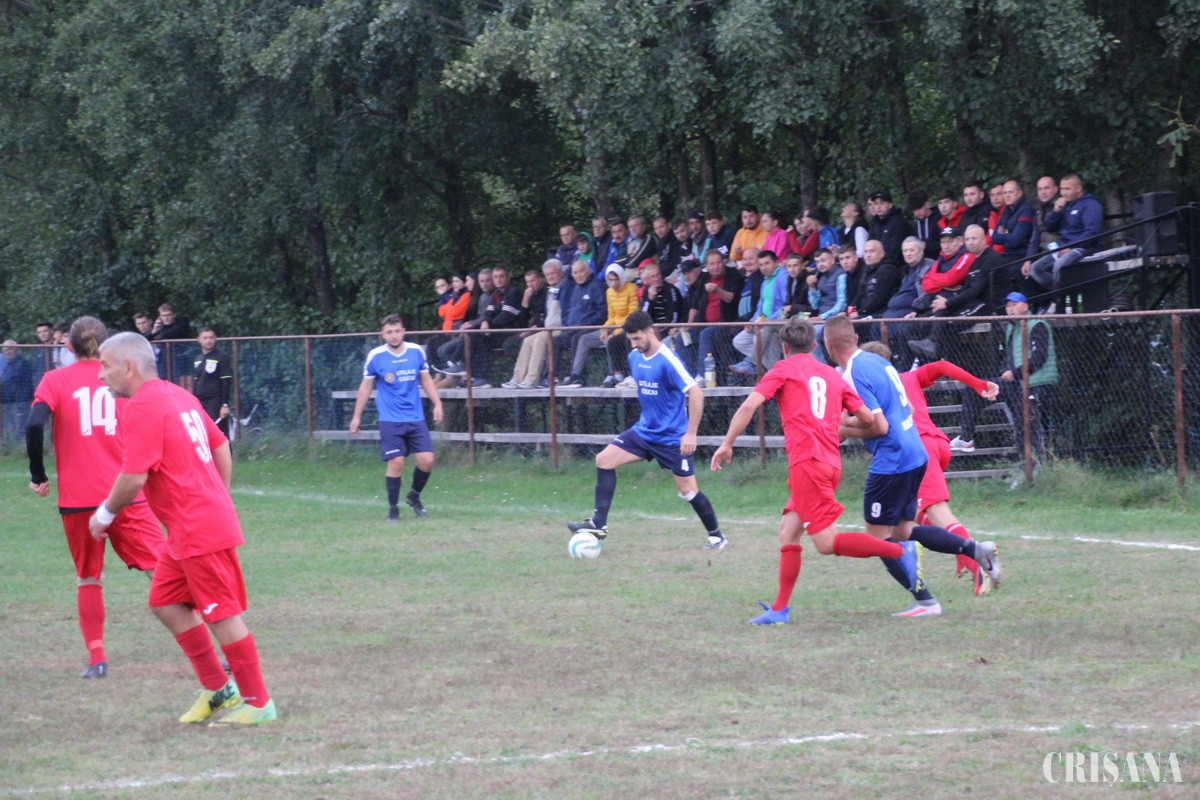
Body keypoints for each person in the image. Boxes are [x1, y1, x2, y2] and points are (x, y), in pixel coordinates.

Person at [90, 332, 275, 725]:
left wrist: (104, 515)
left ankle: (259, 703)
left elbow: (133, 477)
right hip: (188, 527)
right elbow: (220, 444)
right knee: (165, 602)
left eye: (105, 366)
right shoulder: (177, 395)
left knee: (220, 613)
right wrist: (216, 496)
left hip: (197, 526)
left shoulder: (142, 406)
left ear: (129, 367)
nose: (100, 375)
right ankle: (218, 689)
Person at [710, 317, 914, 625]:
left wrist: (727, 444)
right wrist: (839, 424)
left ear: (784, 347)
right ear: (815, 345)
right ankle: (779, 610)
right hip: (830, 463)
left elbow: (749, 406)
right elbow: (867, 418)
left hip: (807, 464)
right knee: (788, 532)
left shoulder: (782, 369)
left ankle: (898, 551)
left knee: (827, 543)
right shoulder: (832, 375)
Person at [823, 316, 1001, 617]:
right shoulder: (880, 363)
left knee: (878, 537)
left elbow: (879, 426)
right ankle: (975, 550)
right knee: (903, 530)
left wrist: (841, 429)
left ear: (828, 346)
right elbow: (899, 409)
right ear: (855, 338)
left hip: (892, 461)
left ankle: (925, 601)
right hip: (916, 453)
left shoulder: (853, 373)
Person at [26, 317, 167, 678]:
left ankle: (97, 659)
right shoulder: (121, 377)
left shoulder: (55, 380)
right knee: (163, 569)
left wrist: (38, 475)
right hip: (125, 492)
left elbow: (34, 424)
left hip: (78, 498)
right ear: (105, 345)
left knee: (89, 577)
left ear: (68, 347)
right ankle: (212, 644)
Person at [567, 311, 725, 551]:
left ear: (651, 332)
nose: (634, 344)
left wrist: (691, 433)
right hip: (645, 432)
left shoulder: (668, 360)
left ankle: (717, 538)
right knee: (604, 460)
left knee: (688, 491)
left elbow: (696, 392)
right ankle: (599, 524)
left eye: (637, 338)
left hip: (672, 438)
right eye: (631, 339)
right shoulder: (634, 357)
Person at [860, 340, 1001, 595]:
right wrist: (979, 384)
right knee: (905, 524)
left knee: (938, 512)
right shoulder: (906, 377)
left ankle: (977, 560)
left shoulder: (870, 387)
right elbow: (943, 366)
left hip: (915, 449)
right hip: (936, 444)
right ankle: (969, 552)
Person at [350, 315, 444, 520]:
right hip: (390, 418)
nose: (394, 335)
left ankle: (414, 496)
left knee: (427, 461)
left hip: (415, 416)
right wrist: (356, 416)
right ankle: (393, 510)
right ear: (383, 335)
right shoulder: (376, 356)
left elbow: (426, 379)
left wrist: (437, 403)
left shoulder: (416, 351)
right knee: (396, 462)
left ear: (403, 332)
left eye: (397, 331)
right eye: (389, 332)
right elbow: (366, 387)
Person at [953, 292, 1057, 462]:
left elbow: (1039, 358)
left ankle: (1036, 466)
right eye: (1008, 306)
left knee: (1027, 426)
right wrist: (1006, 372)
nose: (1010, 309)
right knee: (976, 389)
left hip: (1035, 383)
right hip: (1015, 383)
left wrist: (1014, 373)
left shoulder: (1037, 324)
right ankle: (966, 438)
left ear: (1026, 306)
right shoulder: (1012, 327)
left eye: (1015, 305)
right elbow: (1010, 357)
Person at [561, 264, 638, 389]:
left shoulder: (632, 289)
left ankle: (615, 375)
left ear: (622, 277)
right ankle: (576, 375)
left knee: (612, 341)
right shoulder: (609, 292)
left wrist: (614, 333)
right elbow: (611, 316)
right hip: (613, 327)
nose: (613, 283)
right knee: (584, 339)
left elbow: (632, 316)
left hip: (627, 328)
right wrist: (605, 330)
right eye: (610, 280)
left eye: (616, 279)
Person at [503, 259, 565, 389]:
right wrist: (525, 300)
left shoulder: (564, 287)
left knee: (539, 338)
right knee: (527, 341)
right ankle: (517, 378)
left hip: (560, 327)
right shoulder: (550, 290)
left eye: (553, 273)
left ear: (561, 273)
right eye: (548, 274)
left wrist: (537, 327)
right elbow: (523, 320)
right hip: (547, 328)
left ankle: (532, 379)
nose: (550, 277)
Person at [191, 328, 233, 437]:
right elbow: (196, 382)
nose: (208, 341)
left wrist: (225, 405)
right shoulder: (198, 359)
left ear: (215, 339)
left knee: (218, 434)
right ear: (199, 339)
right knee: (202, 433)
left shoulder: (221, 358)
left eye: (211, 338)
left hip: (215, 402)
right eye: (205, 338)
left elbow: (226, 382)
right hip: (200, 402)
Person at [1, 339, 34, 443]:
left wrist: (22, 400)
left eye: (10, 349)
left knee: (21, 427)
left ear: (16, 350)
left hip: (21, 401)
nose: (8, 352)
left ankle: (22, 446)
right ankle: (11, 445)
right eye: (5, 350)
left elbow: (25, 384)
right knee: (9, 426)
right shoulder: (6, 364)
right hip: (7, 401)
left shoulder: (23, 363)